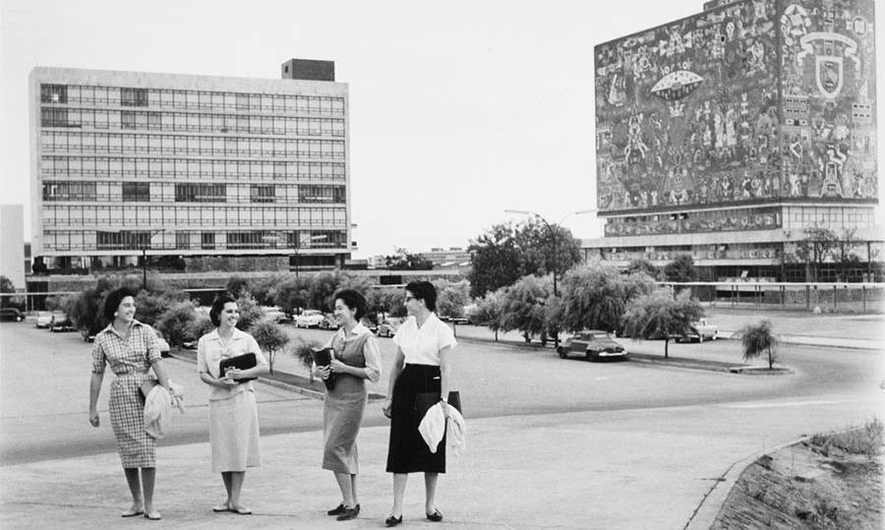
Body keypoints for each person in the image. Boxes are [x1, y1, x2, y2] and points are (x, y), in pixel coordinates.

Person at [89, 287, 180, 521]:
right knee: (128, 451)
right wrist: (92, 408)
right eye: (126, 305)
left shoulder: (146, 331)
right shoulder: (102, 338)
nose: (132, 309)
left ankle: (150, 504)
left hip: (146, 392)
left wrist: (167, 390)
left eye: (133, 305)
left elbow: (157, 361)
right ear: (115, 310)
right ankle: (137, 501)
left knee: (147, 450)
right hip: (120, 395)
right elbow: (97, 373)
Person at [382, 281, 456, 527]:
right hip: (406, 387)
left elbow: (445, 369)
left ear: (421, 301)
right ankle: (396, 509)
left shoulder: (441, 330)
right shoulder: (406, 328)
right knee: (400, 445)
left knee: (431, 445)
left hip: (431, 388)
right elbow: (396, 365)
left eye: (408, 298)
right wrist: (390, 396)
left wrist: (444, 401)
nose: (405, 303)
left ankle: (430, 505)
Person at [197, 293, 269, 515]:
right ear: (217, 314)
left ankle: (236, 499)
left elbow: (263, 367)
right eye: (229, 311)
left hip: (242, 398)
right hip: (219, 399)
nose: (234, 315)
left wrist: (241, 374)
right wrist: (218, 382)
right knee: (224, 449)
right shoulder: (205, 341)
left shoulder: (245, 339)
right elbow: (202, 372)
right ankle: (229, 498)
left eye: (236, 311)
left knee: (239, 448)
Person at [315, 289, 382, 521]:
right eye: (336, 308)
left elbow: (375, 373)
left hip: (353, 398)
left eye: (340, 308)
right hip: (333, 397)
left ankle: (350, 503)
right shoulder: (338, 335)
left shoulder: (365, 337)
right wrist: (321, 370)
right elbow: (322, 360)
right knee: (347, 449)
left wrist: (345, 369)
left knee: (335, 448)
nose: (336, 312)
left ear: (353, 310)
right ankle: (349, 501)